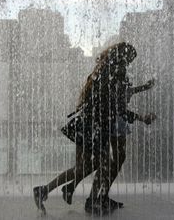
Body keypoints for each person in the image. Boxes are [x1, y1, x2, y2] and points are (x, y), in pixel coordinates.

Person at [33, 42, 156, 215]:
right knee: (97, 165)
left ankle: (51, 190)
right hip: (94, 125)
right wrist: (141, 117)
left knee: (89, 165)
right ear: (121, 59)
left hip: (92, 123)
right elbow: (115, 106)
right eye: (128, 60)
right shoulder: (113, 74)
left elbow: (116, 99)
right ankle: (84, 198)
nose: (128, 65)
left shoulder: (105, 70)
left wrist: (142, 90)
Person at [60, 77, 156, 208]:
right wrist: (141, 117)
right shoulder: (113, 94)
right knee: (108, 161)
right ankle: (96, 197)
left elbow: (131, 92)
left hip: (109, 123)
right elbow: (121, 110)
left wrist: (145, 86)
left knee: (102, 162)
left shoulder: (114, 87)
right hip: (112, 123)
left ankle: (92, 195)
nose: (128, 94)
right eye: (125, 90)